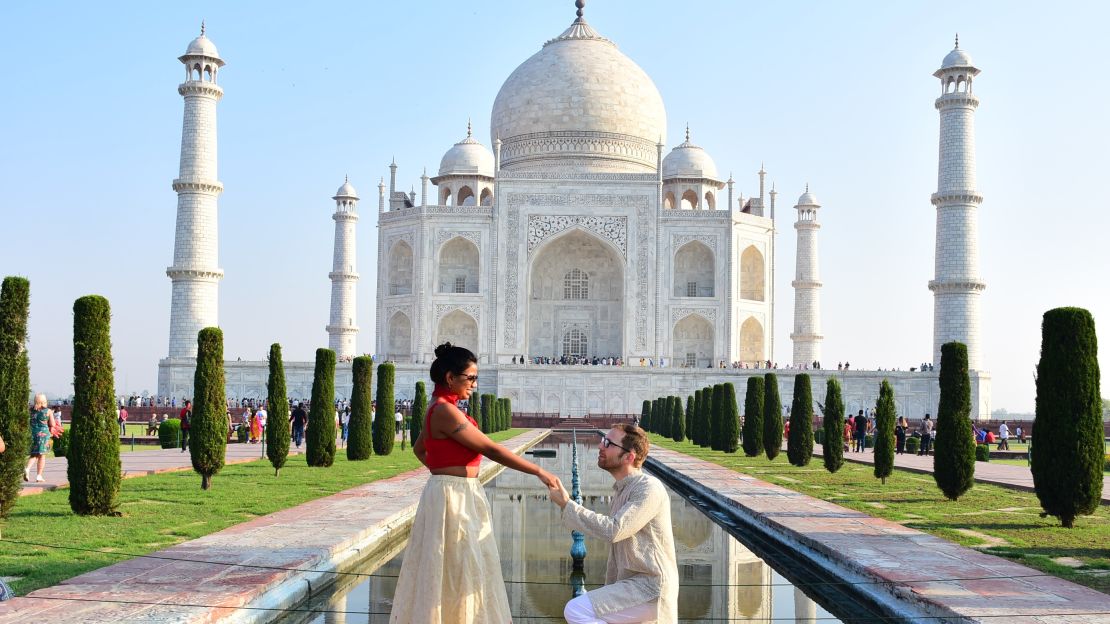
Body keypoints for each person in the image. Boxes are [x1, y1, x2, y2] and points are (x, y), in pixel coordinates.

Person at [389, 342, 558, 623]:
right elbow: (491, 449)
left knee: (455, 567)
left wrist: (443, 472)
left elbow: (421, 449)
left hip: (452, 492)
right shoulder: (445, 411)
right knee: (460, 567)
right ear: (450, 378)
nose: (475, 384)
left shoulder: (440, 407)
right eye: (470, 378)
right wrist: (538, 472)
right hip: (454, 496)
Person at [547, 424, 679, 624]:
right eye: (603, 440)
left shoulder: (648, 488)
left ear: (629, 456)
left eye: (608, 443)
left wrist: (568, 505)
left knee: (576, 610)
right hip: (635, 586)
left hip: (651, 588)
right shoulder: (623, 490)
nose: (601, 445)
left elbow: (614, 529)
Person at [26, 393, 56, 482]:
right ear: (44, 401)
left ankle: (29, 469)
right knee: (42, 455)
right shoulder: (48, 411)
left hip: (33, 434)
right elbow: (52, 424)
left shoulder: (31, 410)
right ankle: (38, 475)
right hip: (43, 435)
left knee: (34, 454)